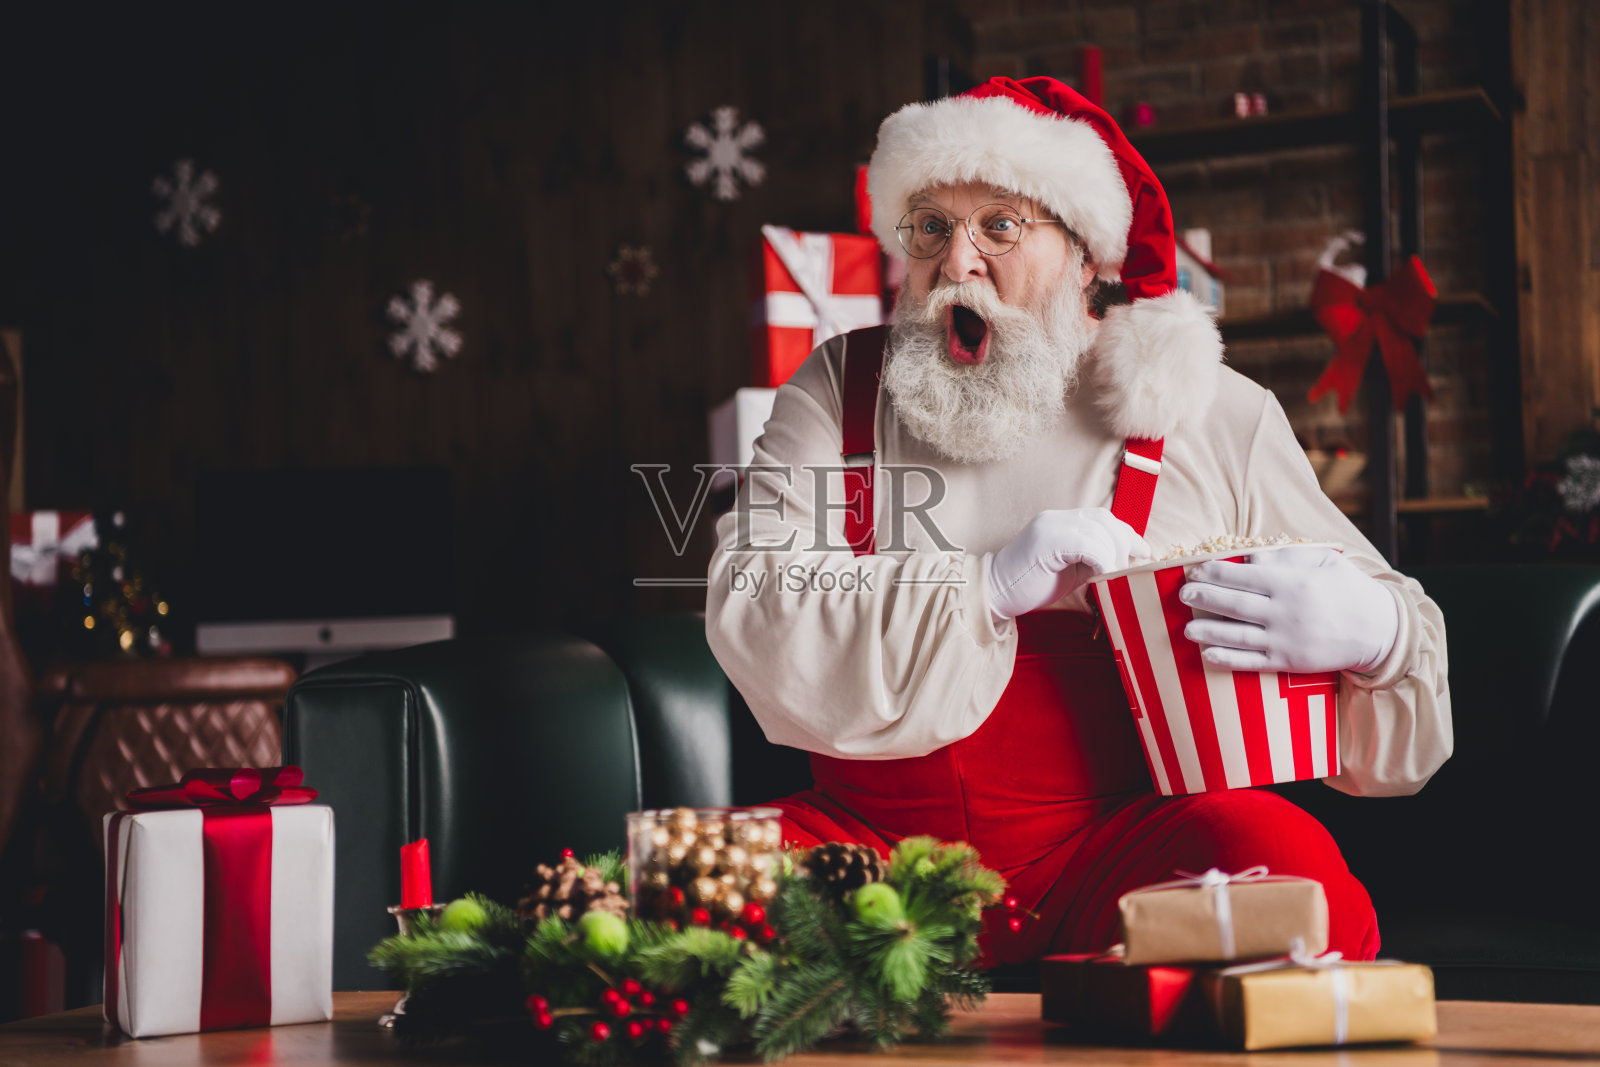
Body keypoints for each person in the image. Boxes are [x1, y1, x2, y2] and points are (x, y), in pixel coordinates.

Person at [705, 77, 1450, 964]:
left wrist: (1379, 635)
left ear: (1090, 255)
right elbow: (750, 604)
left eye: (1000, 226)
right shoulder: (838, 389)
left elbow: (1400, 684)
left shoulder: (1209, 412)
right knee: (686, 899)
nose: (958, 261)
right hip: (864, 854)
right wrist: (980, 588)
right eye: (931, 226)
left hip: (1127, 860)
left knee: (1292, 872)